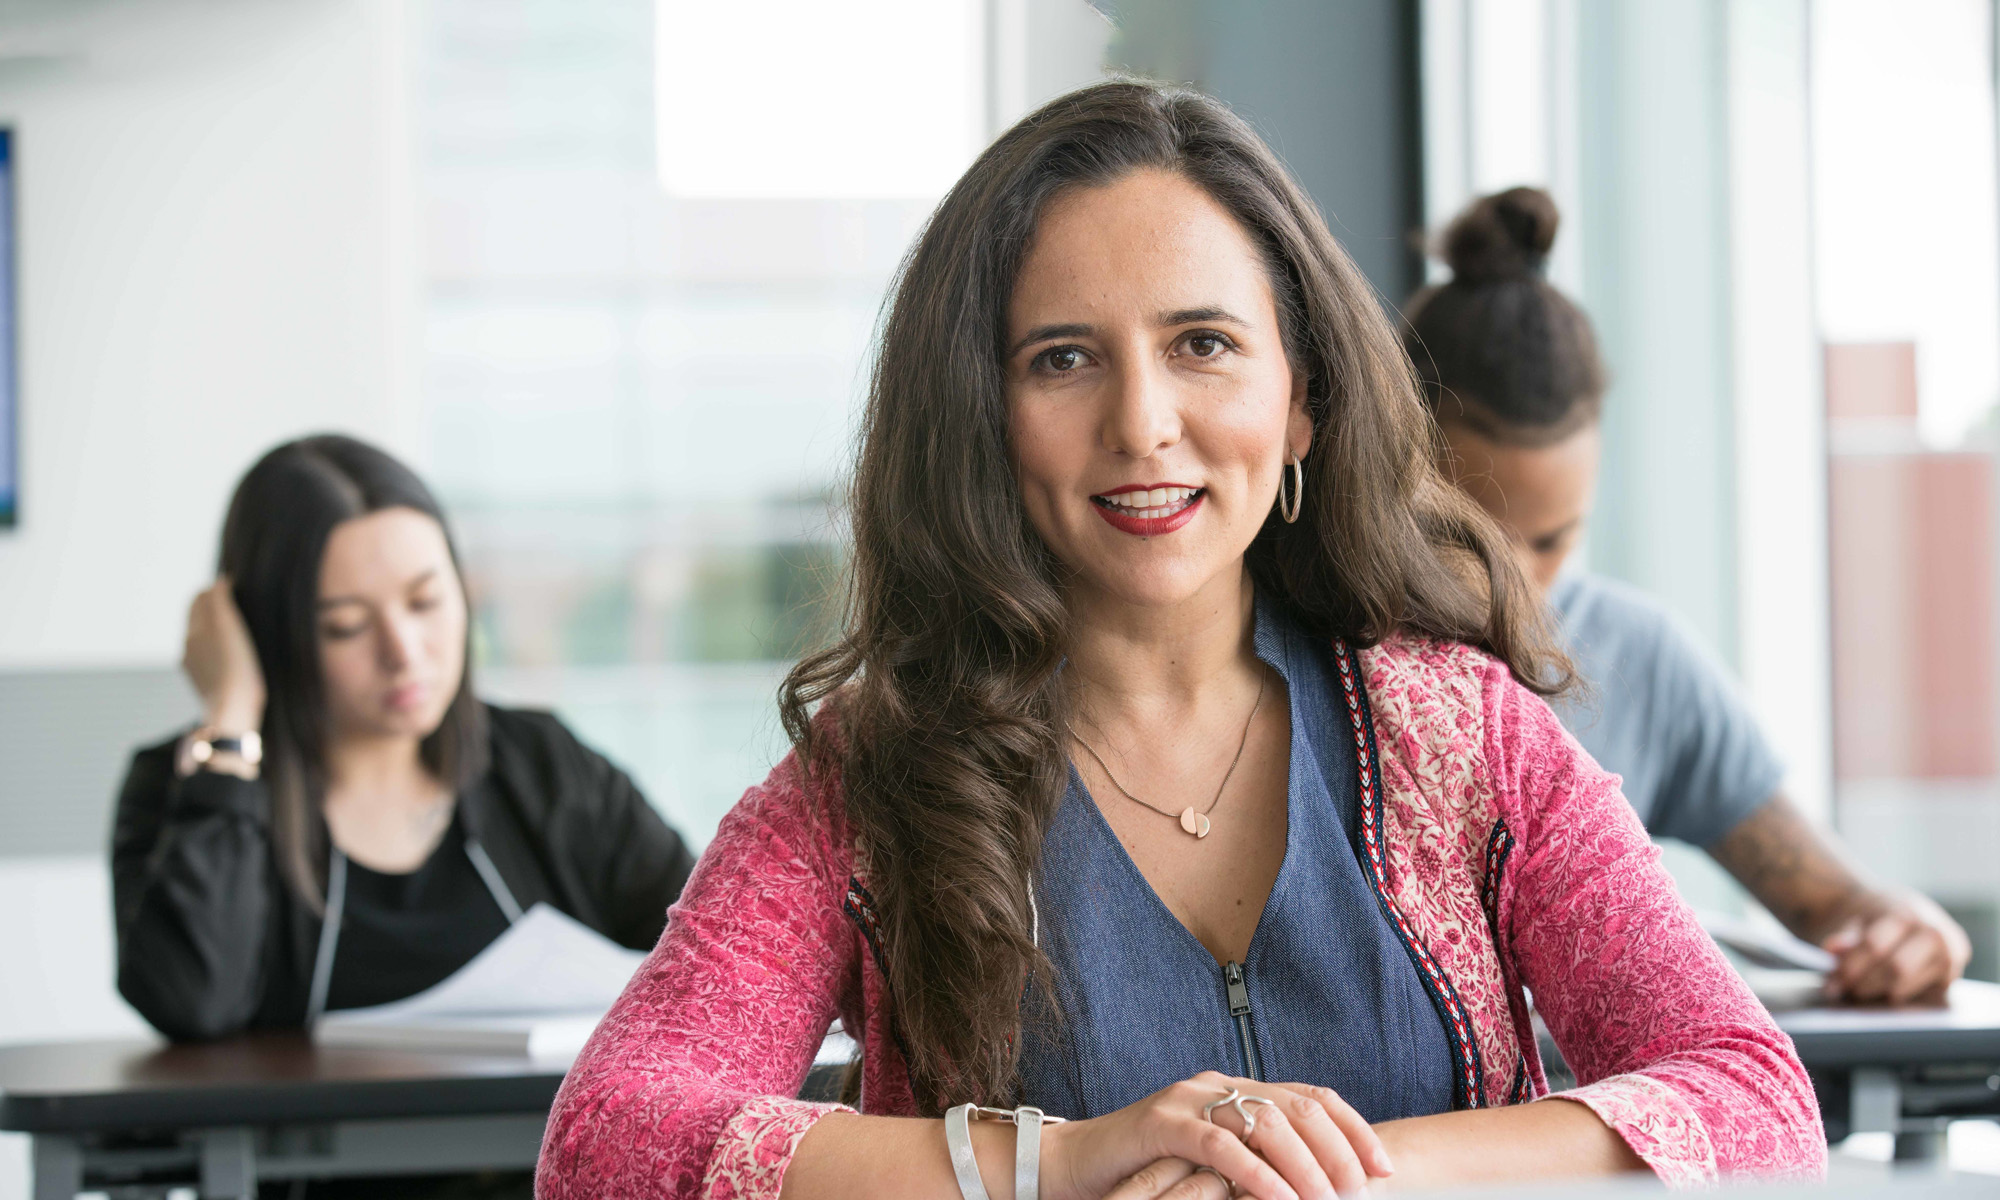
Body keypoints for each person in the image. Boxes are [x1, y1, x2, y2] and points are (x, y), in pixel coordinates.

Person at [539, 83, 1823, 1200]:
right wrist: (1053, 1163)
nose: (1143, 422)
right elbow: (607, 1145)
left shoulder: (1461, 730)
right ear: (980, 418)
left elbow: (1756, 1105)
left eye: (1201, 343)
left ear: (1301, 397)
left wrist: (1340, 1170)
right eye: (1061, 360)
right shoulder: (874, 774)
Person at [1404, 187, 1971, 1008]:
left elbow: (1835, 904)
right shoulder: (1297, 656)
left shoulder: (1636, 655)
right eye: (1471, 537)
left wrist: (1904, 926)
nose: (1517, 586)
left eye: (1556, 538)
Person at [113, 434, 698, 1044]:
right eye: (346, 626)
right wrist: (231, 720)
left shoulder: (542, 764)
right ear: (265, 631)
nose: (404, 653)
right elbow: (190, 1002)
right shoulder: (188, 787)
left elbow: (722, 964)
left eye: (425, 601)